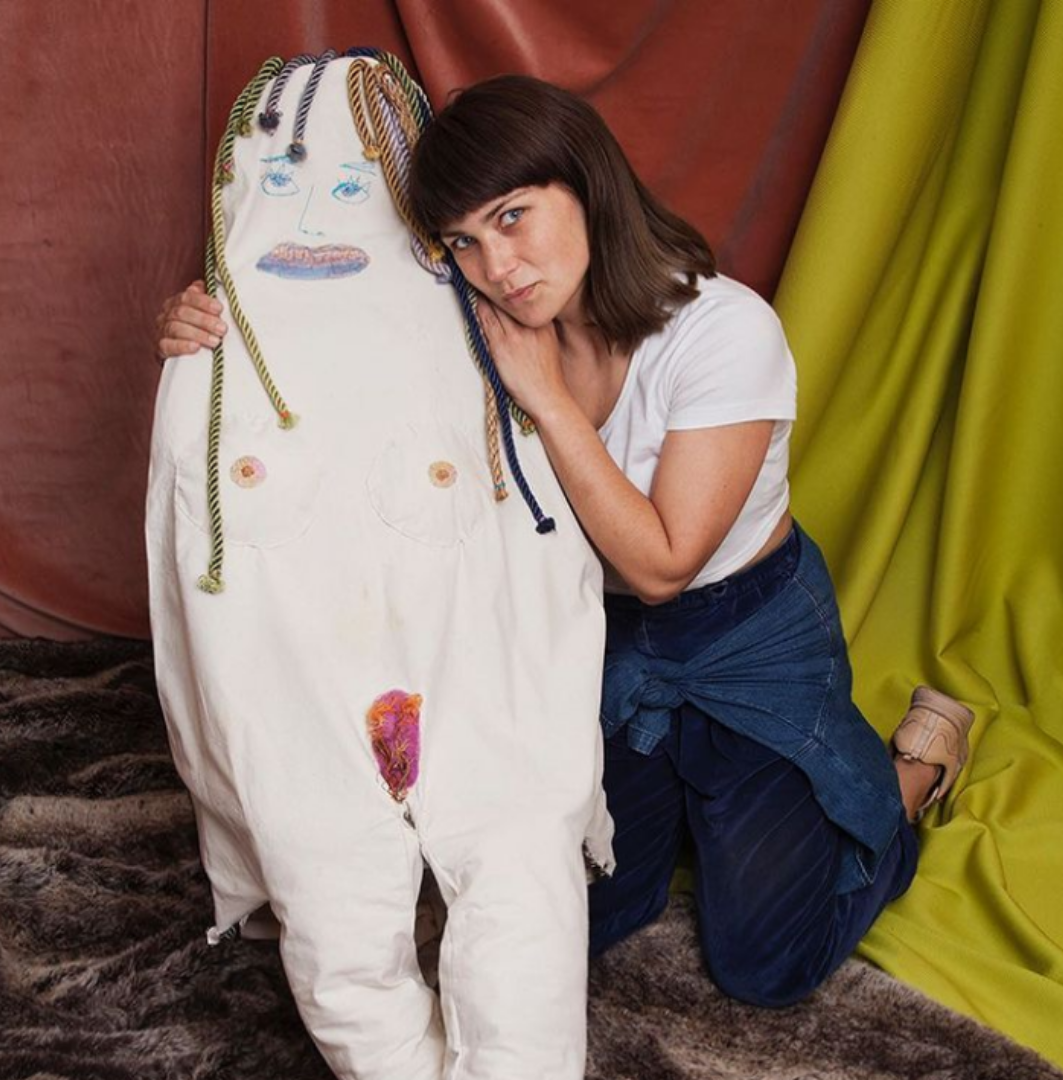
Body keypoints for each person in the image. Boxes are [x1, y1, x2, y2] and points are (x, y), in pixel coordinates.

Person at [157, 72, 974, 1012]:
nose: (497, 265)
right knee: (562, 918)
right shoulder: (482, 323)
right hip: (595, 639)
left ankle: (911, 769)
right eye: (463, 241)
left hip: (746, 632)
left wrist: (544, 395)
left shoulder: (722, 329)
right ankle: (686, 799)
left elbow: (664, 564)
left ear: (586, 185)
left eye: (513, 217)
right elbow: (323, 379)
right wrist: (199, 341)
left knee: (763, 961)